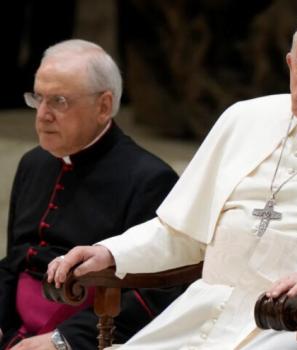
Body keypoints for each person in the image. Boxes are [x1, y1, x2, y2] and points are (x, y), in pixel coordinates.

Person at [48, 14, 297, 349]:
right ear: (290, 64)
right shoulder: (243, 119)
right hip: (212, 304)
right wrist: (112, 253)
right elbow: (184, 232)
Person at [0, 39, 185, 349]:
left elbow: (155, 295)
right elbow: (14, 261)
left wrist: (64, 341)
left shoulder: (149, 179)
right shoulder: (33, 163)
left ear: (103, 106)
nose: (43, 114)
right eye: (38, 98)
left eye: (58, 101)